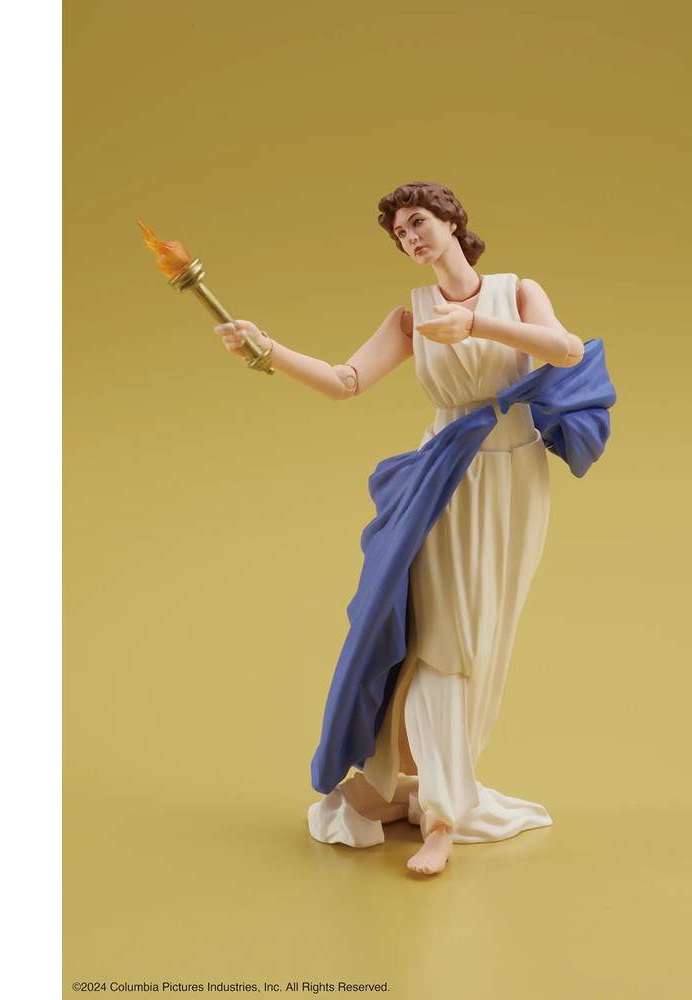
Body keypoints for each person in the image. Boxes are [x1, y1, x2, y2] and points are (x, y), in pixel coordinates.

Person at [217, 182, 586, 875]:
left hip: (515, 477)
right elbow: (345, 380)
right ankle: (441, 816)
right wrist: (269, 350)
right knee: (441, 636)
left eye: (418, 222)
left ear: (452, 220)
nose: (411, 237)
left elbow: (565, 349)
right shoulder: (410, 317)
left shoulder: (515, 292)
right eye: (399, 233)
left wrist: (476, 326)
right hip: (444, 477)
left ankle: (423, 783)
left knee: (485, 638)